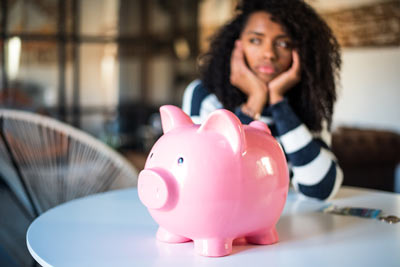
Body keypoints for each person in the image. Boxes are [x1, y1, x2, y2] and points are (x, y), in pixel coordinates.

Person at [182, 0, 343, 200]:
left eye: (283, 43)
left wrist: (279, 104)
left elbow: (321, 189)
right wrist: (254, 103)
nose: (269, 54)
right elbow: (204, 177)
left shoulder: (310, 101)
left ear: (299, 52)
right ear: (237, 44)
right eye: (256, 40)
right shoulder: (204, 95)